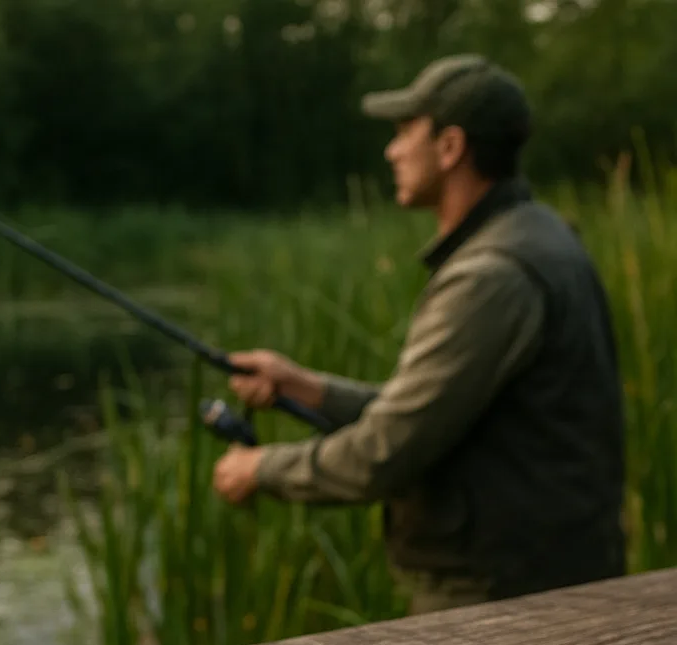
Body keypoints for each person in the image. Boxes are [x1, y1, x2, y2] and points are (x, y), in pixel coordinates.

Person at [211, 54, 627, 614]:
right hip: (541, 580)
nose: (392, 150)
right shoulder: (538, 234)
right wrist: (304, 388)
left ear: (450, 147)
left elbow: (386, 454)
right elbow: (431, 418)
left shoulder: (491, 276)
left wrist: (259, 469)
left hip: (505, 598)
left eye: (405, 131)